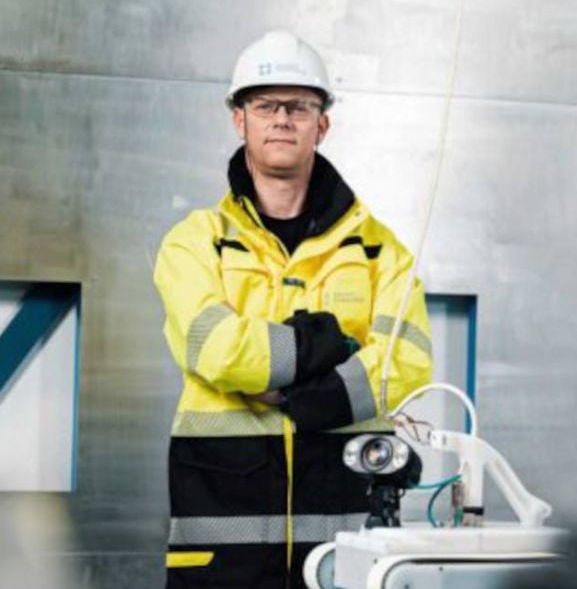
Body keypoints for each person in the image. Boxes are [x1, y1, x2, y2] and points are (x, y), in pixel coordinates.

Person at [153, 31, 433, 588]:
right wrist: (324, 348)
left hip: (341, 538)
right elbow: (214, 347)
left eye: (299, 106)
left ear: (321, 124)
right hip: (222, 540)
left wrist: (307, 399)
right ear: (240, 120)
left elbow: (406, 361)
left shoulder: (380, 251)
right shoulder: (195, 242)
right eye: (265, 105)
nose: (282, 118)